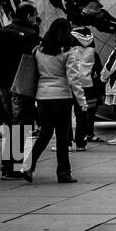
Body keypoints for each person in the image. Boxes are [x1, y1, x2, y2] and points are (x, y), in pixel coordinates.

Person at [21, 19, 85, 184]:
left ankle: (28, 165)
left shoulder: (38, 50)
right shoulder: (68, 52)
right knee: (62, 137)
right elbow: (73, 79)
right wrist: (82, 101)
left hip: (43, 97)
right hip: (62, 97)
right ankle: (64, 173)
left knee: (45, 133)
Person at [0, 3, 41, 179]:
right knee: (21, 124)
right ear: (28, 16)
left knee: (11, 123)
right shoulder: (31, 35)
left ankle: (7, 164)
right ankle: (12, 166)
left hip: (2, 83)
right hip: (21, 85)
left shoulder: (2, 32)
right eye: (34, 15)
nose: (36, 19)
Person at [68, 25, 102, 151]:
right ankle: (81, 143)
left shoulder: (70, 48)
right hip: (86, 83)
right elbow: (98, 67)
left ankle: (68, 142)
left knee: (66, 114)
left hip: (71, 82)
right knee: (82, 114)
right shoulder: (92, 49)